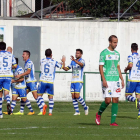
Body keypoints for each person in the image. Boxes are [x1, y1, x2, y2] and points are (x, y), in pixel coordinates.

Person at [95, 35, 124, 126]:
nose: (116, 44)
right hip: (107, 79)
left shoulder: (117, 54)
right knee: (108, 100)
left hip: (115, 80)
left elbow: (118, 67)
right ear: (110, 42)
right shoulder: (103, 53)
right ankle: (98, 114)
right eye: (114, 42)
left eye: (117, 42)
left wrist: (122, 79)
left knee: (115, 100)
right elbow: (100, 67)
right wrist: (103, 79)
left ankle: (112, 122)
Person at [15, 50, 46, 115]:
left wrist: (20, 75)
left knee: (35, 96)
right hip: (27, 82)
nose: (22, 56)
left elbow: (28, 72)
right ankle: (21, 111)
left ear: (27, 55)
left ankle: (41, 109)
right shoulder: (26, 63)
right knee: (23, 96)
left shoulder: (29, 62)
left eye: (23, 54)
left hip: (31, 82)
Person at [37, 48, 64, 115]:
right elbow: (61, 66)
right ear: (51, 54)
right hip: (50, 81)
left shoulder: (42, 60)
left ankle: (43, 104)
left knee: (39, 96)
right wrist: (63, 61)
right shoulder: (54, 62)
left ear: (45, 54)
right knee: (50, 97)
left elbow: (45, 63)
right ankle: (50, 112)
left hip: (43, 80)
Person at [62, 49, 89, 115]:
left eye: (78, 53)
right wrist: (63, 62)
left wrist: (74, 60)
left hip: (79, 81)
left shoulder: (82, 60)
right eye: (76, 53)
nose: (76, 54)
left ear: (81, 54)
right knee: (73, 96)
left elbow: (81, 65)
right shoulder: (72, 62)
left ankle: (85, 107)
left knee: (77, 96)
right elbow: (66, 69)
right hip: (73, 81)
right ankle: (77, 111)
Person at [0, 42, 17, 118]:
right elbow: (15, 65)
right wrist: (10, 68)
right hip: (8, 75)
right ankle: (8, 101)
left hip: (0, 75)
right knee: (6, 92)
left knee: (0, 93)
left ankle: (0, 113)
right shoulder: (10, 55)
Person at [124, 43, 140, 119]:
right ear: (138, 48)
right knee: (139, 96)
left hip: (132, 78)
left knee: (127, 96)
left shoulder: (130, 56)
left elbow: (130, 65)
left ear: (131, 49)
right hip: (139, 79)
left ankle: (135, 100)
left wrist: (126, 69)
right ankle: (139, 114)